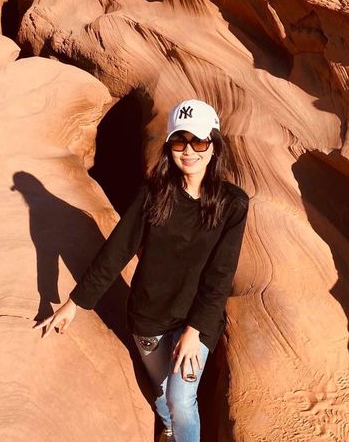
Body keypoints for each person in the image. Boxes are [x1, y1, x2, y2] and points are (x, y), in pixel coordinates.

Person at [34, 98, 250, 442]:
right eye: (180, 142)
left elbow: (220, 275)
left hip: (197, 318)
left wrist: (195, 332)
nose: (189, 151)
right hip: (149, 316)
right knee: (164, 393)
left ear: (213, 146)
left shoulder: (232, 204)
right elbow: (117, 250)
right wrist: (73, 304)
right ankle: (167, 426)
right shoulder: (153, 195)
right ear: (169, 147)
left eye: (199, 142)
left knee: (182, 399)